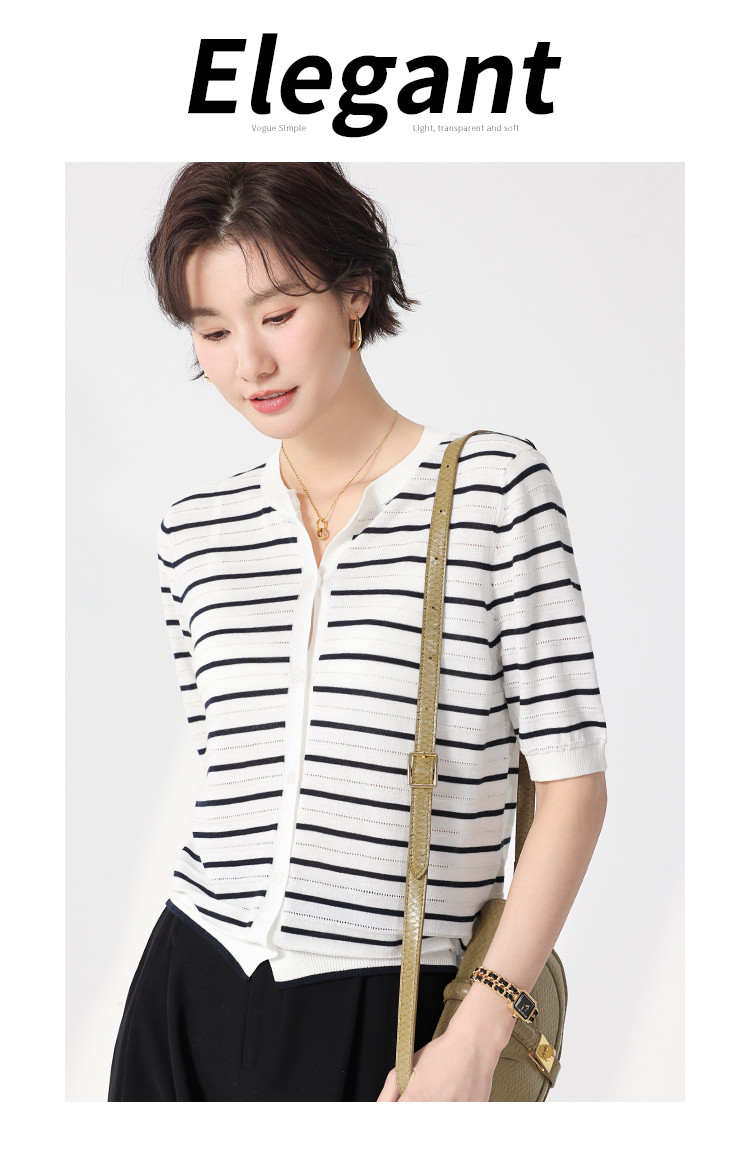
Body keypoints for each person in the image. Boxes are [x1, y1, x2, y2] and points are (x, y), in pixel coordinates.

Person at [107, 162, 608, 1103]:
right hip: (188, 983)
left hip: (392, 1007)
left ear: (355, 293)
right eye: (212, 331)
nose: (248, 363)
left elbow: (573, 788)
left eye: (276, 314)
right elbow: (234, 780)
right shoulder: (195, 532)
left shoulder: (494, 490)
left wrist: (477, 1034)